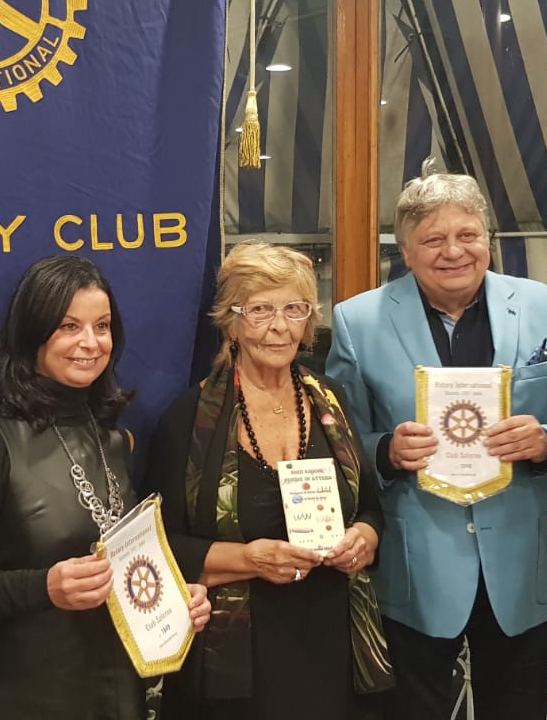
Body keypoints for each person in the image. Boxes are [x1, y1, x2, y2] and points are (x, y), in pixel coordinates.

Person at [325, 161, 547, 720]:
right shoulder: (357, 321)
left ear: (488, 238)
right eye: (433, 239)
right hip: (415, 572)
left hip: (520, 568)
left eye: (468, 234)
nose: (454, 251)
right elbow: (339, 441)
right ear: (406, 250)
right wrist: (385, 451)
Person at [0, 254, 211, 719]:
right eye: (69, 326)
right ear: (33, 333)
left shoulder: (112, 439)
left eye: (102, 326)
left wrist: (176, 598)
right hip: (22, 699)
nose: (90, 343)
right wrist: (44, 588)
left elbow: (128, 565)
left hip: (118, 697)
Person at [148, 242, 392, 719]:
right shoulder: (189, 419)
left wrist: (365, 538)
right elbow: (158, 547)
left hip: (333, 646)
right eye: (260, 310)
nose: (280, 326)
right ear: (231, 321)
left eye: (294, 309)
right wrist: (250, 560)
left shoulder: (331, 401)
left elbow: (368, 507)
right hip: (233, 661)